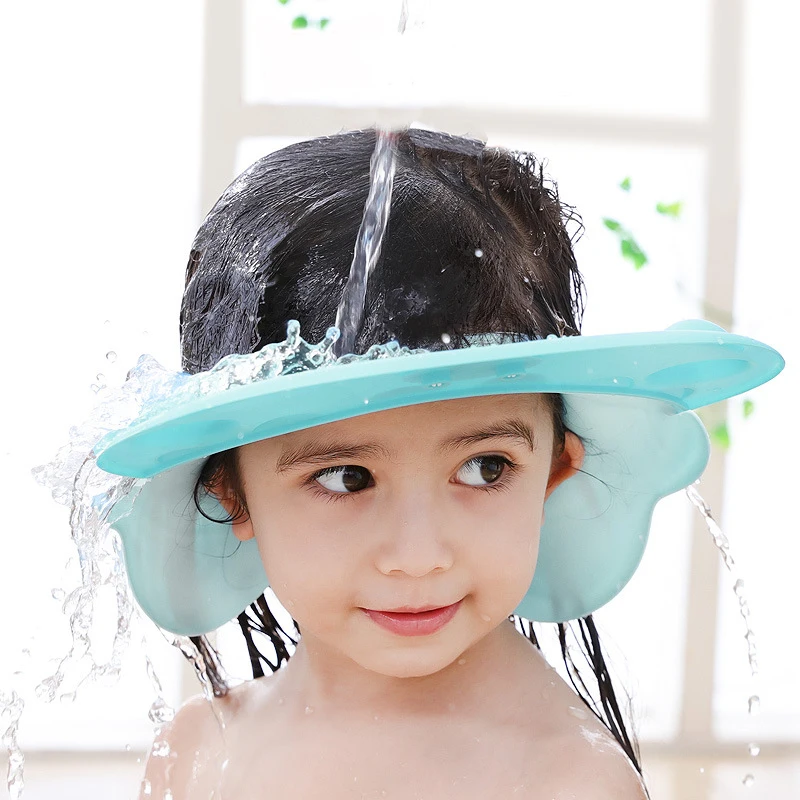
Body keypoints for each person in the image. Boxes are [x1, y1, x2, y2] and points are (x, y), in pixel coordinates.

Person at [95, 128, 783, 799]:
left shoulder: (566, 784)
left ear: (554, 471)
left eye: (485, 469)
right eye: (346, 477)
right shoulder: (198, 752)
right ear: (232, 493)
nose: (418, 557)